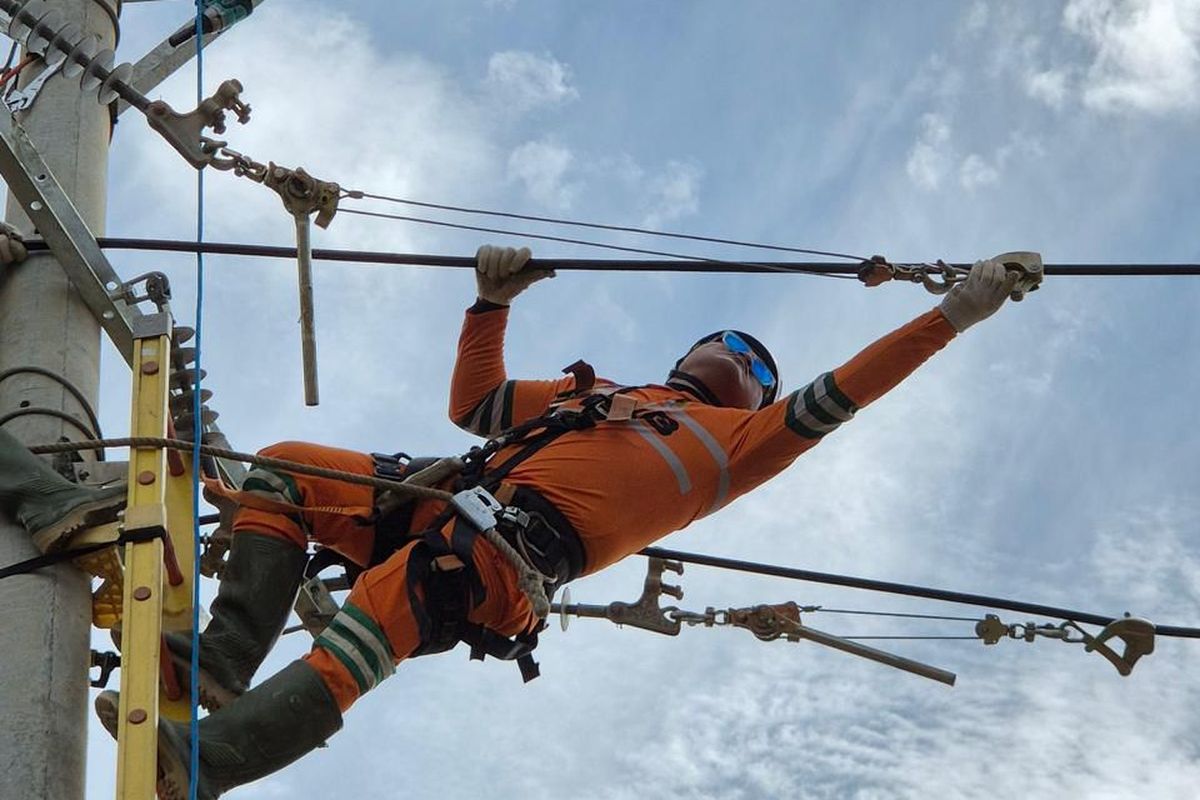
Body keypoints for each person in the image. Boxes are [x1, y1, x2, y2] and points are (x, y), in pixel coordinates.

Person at [1, 238, 1023, 800]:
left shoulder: (735, 449)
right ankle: (219, 661)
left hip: (497, 554)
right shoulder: (601, 394)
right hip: (444, 493)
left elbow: (846, 388)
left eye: (753, 364)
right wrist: (489, 304)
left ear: (755, 395)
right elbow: (476, 406)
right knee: (289, 469)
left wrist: (954, 310)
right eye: (728, 345)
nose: (736, 361)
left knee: (382, 615)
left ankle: (204, 766)